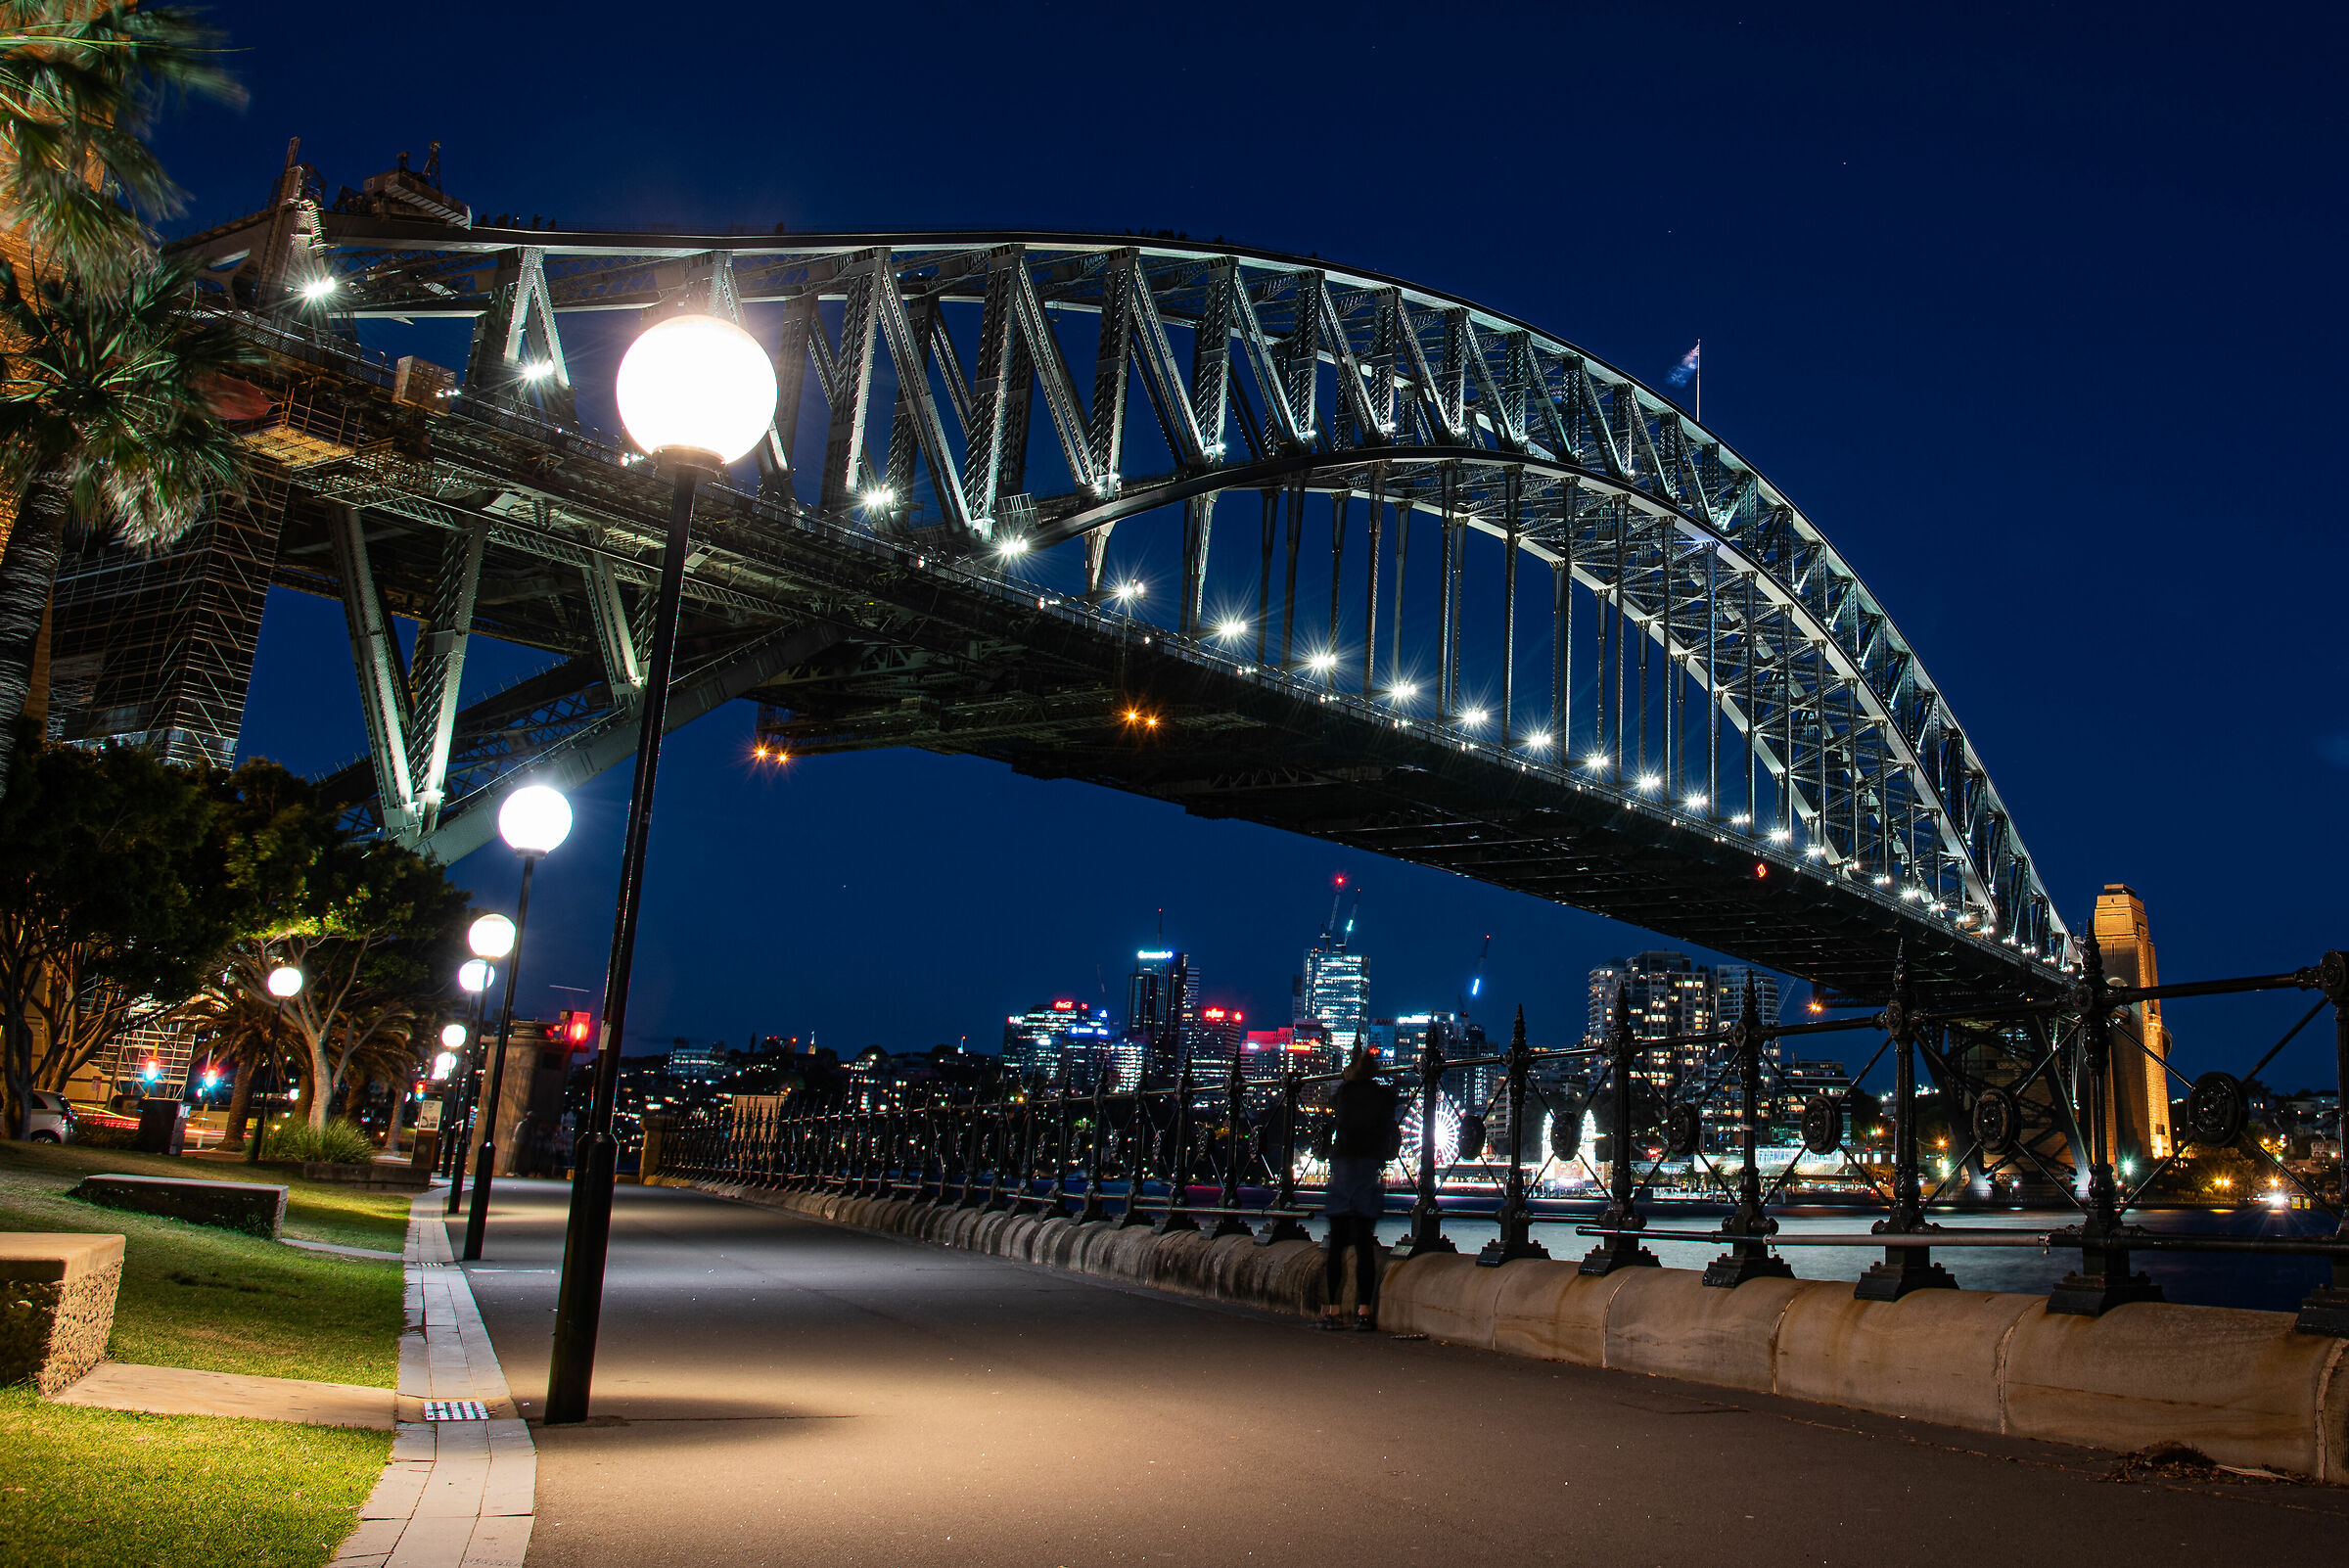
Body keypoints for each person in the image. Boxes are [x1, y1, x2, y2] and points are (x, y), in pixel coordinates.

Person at [1320, 1046, 1400, 1331]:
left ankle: (1333, 1310)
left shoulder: (1345, 1093)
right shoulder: (1382, 1096)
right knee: (1365, 1245)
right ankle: (1364, 1311)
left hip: (1343, 1168)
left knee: (1337, 1245)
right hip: (1367, 1169)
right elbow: (1387, 1126)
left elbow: (1339, 1118)